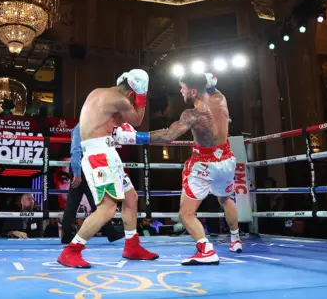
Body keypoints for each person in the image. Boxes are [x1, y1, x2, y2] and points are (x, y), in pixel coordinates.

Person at [114, 72, 240, 265]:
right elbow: (212, 87)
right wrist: (210, 82)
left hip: (205, 163)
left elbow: (168, 135)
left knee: (186, 214)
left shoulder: (193, 114)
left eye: (183, 87)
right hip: (227, 159)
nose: (181, 90)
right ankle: (236, 240)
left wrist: (134, 138)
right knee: (225, 199)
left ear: (194, 90)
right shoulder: (220, 99)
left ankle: (206, 250)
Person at [57, 69, 159, 268]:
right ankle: (72, 250)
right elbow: (138, 120)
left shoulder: (97, 92)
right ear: (132, 92)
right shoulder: (120, 100)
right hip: (101, 155)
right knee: (107, 208)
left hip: (102, 152)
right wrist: (142, 98)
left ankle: (132, 245)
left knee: (131, 198)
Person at [60, 123, 123, 244]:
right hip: (83, 168)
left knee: (91, 201)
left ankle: (67, 235)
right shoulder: (81, 127)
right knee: (93, 202)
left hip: (89, 167)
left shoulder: (92, 127)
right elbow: (76, 150)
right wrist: (77, 173)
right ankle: (110, 232)